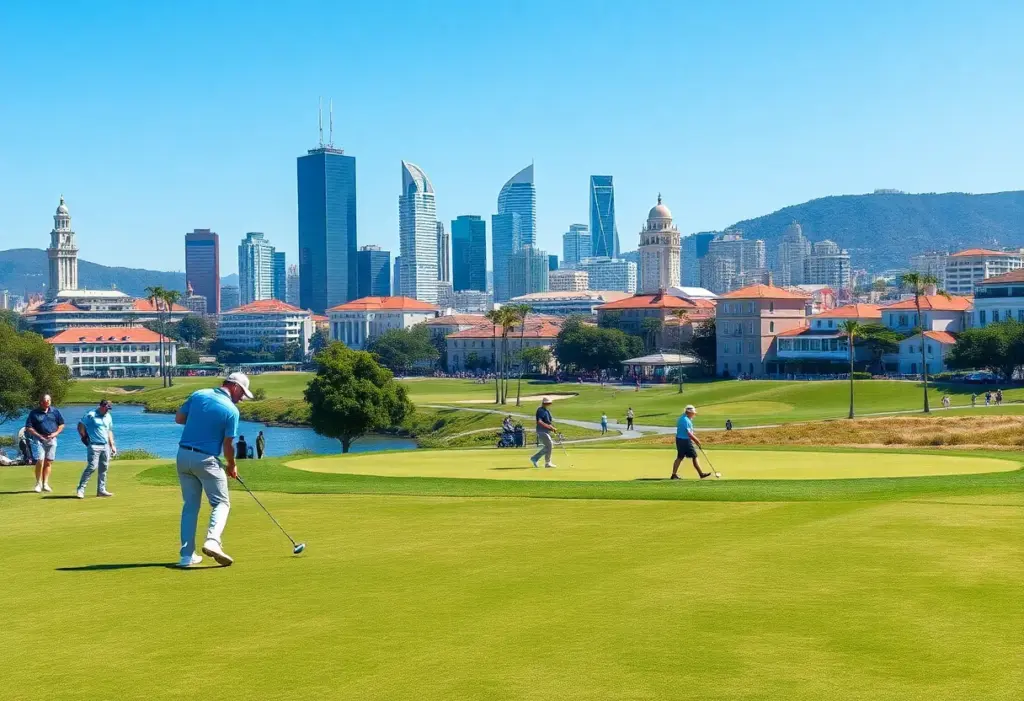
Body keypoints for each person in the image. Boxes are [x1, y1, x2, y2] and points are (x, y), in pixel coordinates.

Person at [174, 372, 253, 568]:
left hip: (183, 456)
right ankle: (212, 541)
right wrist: (231, 465)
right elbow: (228, 445)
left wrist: (201, 420)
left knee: (190, 506)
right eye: (242, 393)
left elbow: (179, 418)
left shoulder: (199, 394)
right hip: (206, 460)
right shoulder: (231, 411)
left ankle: (186, 556)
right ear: (234, 386)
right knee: (221, 503)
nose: (241, 398)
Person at [75, 399, 117, 498]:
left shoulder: (108, 416)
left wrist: (112, 445)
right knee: (92, 467)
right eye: (106, 408)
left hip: (105, 446)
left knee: (104, 468)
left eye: (109, 409)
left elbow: (109, 431)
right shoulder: (91, 415)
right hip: (94, 445)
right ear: (101, 406)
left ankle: (101, 490)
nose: (107, 410)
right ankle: (81, 489)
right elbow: (80, 425)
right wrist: (84, 437)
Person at [24, 394, 65, 493]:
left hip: (52, 439)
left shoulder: (55, 411)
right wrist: (39, 436)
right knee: (40, 459)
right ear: (41, 402)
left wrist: (55, 433)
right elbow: (28, 427)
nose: (47, 403)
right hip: (38, 439)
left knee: (48, 461)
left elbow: (61, 424)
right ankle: (38, 483)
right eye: (45, 401)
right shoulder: (34, 413)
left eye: (48, 401)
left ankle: (45, 484)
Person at [671, 404, 711, 480]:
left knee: (680, 457)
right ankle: (701, 474)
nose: (694, 414)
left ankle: (674, 474)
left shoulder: (683, 418)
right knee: (694, 456)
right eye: (693, 413)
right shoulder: (686, 420)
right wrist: (696, 440)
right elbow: (689, 433)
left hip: (680, 440)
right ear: (689, 412)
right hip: (685, 441)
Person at [530, 397, 557, 468]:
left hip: (545, 431)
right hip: (541, 431)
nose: (549, 404)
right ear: (544, 403)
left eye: (550, 403)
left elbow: (548, 422)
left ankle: (535, 458)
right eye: (548, 403)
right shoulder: (540, 410)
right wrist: (549, 427)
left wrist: (552, 428)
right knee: (550, 445)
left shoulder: (546, 411)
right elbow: (539, 422)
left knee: (548, 447)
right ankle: (547, 463)